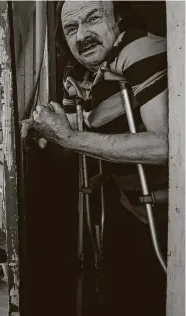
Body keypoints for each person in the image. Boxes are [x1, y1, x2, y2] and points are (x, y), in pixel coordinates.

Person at [22, 2, 168, 315]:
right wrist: (42, 129)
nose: (82, 36)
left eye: (93, 19)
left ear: (118, 19)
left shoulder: (138, 48)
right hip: (133, 207)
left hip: (171, 211)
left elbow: (166, 147)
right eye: (71, 28)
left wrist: (67, 137)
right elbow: (68, 139)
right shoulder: (77, 76)